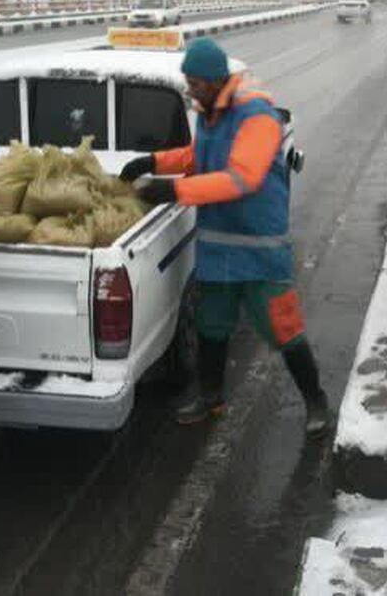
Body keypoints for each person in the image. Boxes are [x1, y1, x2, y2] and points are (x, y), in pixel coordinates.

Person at [120, 38, 330, 434]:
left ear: (218, 81)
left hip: (259, 251)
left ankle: (315, 399)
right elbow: (199, 157)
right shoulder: (210, 113)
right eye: (188, 82)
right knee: (211, 327)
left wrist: (174, 190)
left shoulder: (258, 117)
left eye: (196, 83)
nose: (191, 90)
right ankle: (210, 397)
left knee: (283, 330)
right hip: (218, 248)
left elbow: (242, 178)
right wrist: (154, 161)